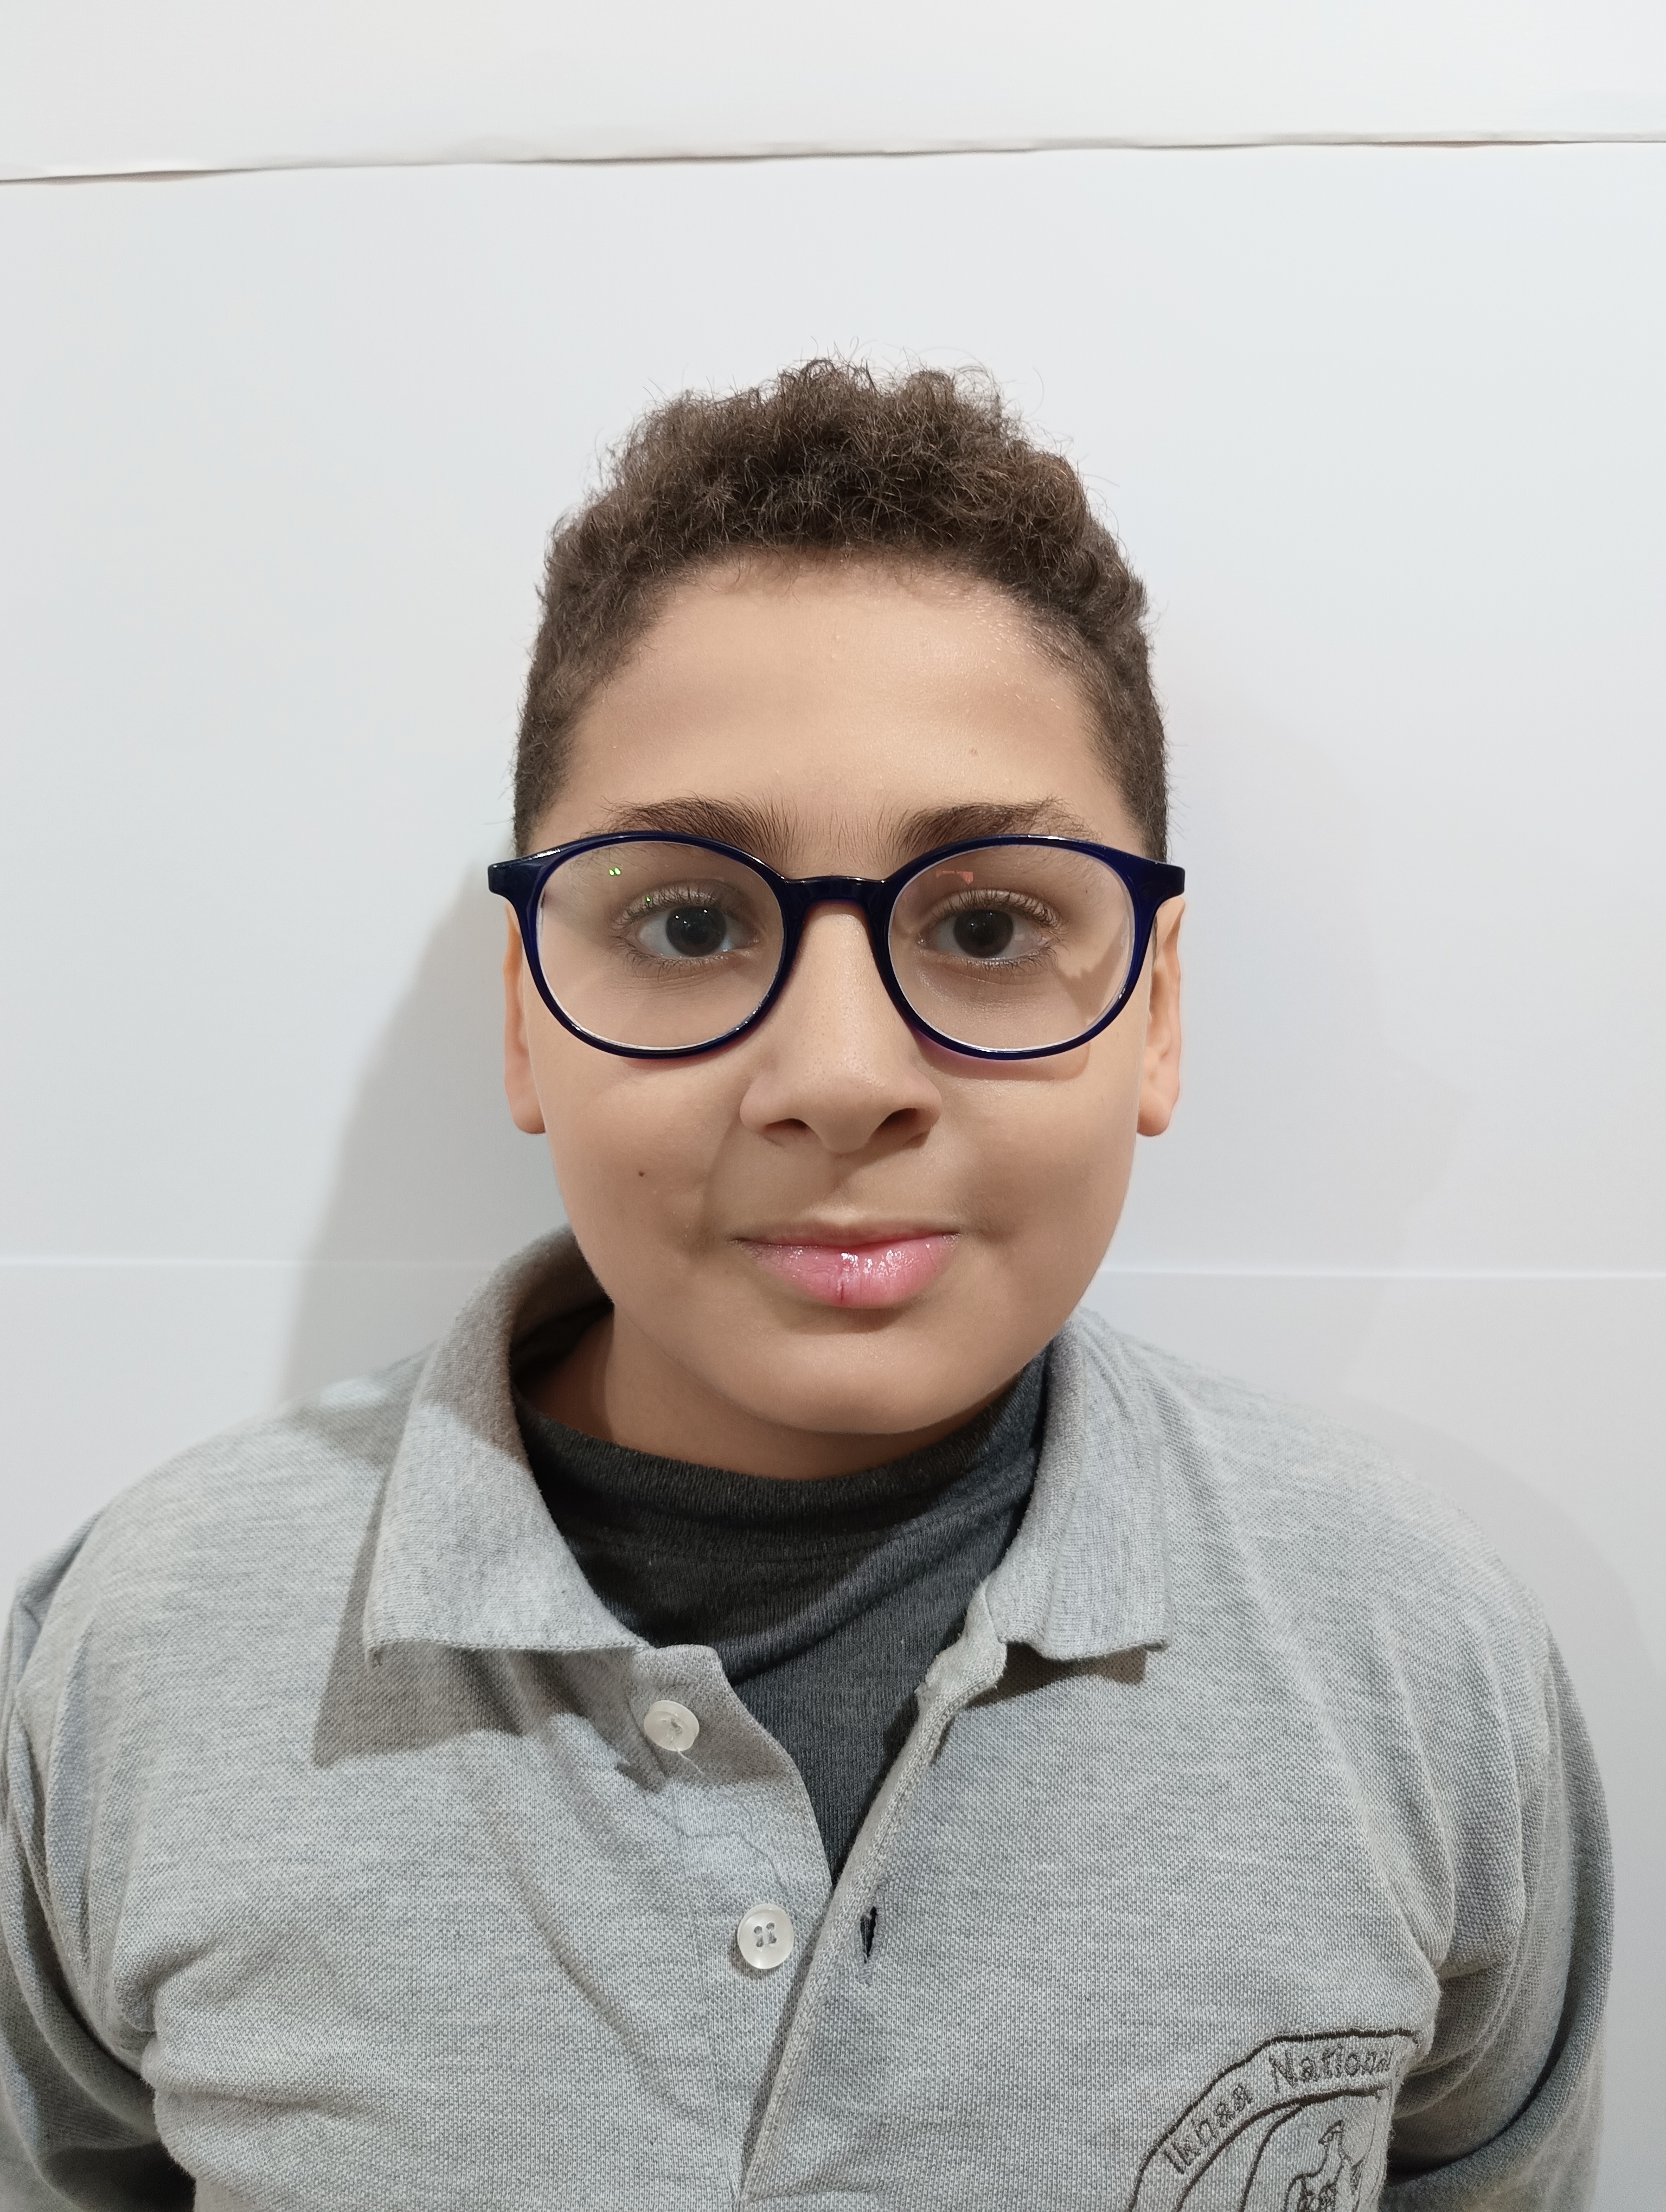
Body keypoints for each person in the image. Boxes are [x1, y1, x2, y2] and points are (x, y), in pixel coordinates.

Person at [0, 363, 1608, 2211]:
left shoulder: (1415, 1657)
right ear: (526, 1018)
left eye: (988, 925)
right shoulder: (142, 1660)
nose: (841, 1077)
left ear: (1155, 1012)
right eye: (690, 923)